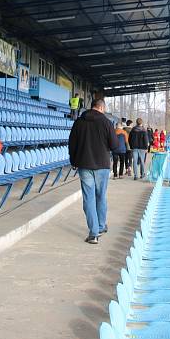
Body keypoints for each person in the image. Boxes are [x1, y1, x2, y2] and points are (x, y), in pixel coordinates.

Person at [68, 99, 118, 244]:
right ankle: (101, 226)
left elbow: (72, 144)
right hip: (102, 165)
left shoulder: (79, 122)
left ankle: (93, 234)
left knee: (88, 199)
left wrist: (74, 161)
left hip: (84, 164)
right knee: (101, 196)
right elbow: (114, 145)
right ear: (102, 108)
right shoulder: (107, 123)